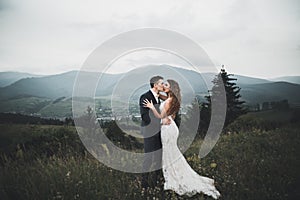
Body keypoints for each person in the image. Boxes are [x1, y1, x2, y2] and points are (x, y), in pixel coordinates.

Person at [143, 79, 221, 199]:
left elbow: (160, 117)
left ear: (172, 88)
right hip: (170, 127)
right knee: (172, 153)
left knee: (169, 153)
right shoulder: (172, 99)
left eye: (166, 85)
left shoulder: (169, 100)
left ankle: (175, 176)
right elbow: (164, 100)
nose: (164, 85)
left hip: (167, 129)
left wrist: (151, 107)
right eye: (163, 84)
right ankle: (171, 173)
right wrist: (158, 94)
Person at [139, 75, 170, 189]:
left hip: (159, 132)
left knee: (158, 157)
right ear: (155, 85)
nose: (163, 85)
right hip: (149, 131)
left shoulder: (159, 97)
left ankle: (156, 182)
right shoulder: (145, 97)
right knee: (148, 158)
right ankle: (144, 184)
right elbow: (145, 117)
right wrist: (161, 122)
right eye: (161, 83)